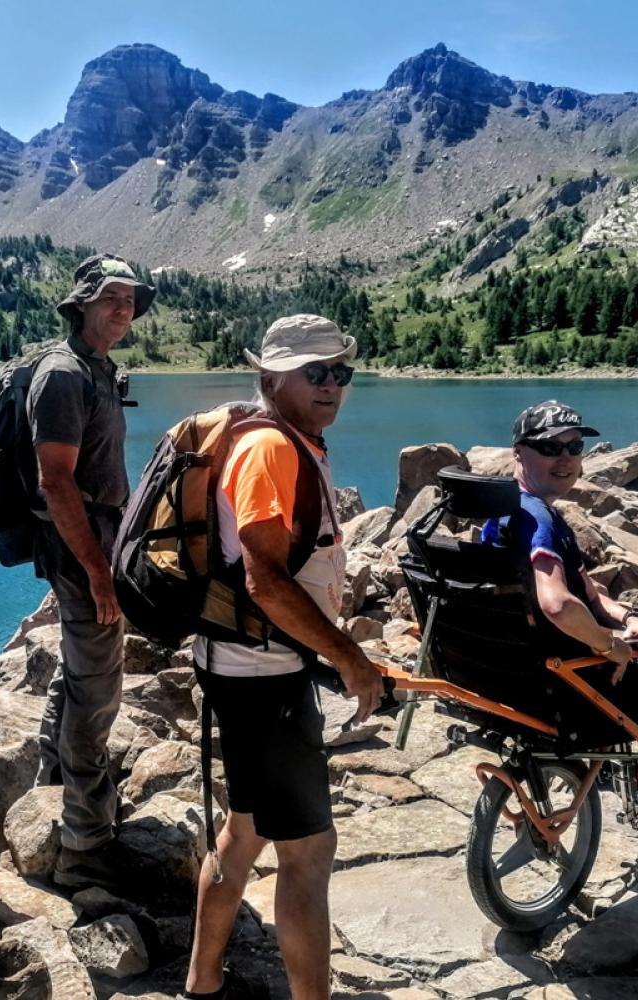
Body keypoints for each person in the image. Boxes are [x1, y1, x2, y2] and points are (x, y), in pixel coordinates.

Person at [182, 315, 385, 1000]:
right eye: (314, 372)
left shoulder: (288, 440)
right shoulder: (270, 448)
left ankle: (201, 983)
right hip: (263, 676)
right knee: (307, 855)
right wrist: (351, 659)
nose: (332, 385)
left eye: (341, 372)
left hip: (244, 665)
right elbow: (265, 580)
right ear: (270, 377)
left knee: (242, 833)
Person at [485, 401, 638, 802]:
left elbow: (588, 594)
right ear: (518, 453)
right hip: (574, 677)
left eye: (574, 448)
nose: (566, 459)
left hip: (518, 667)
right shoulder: (540, 523)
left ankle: (615, 760)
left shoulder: (501, 513)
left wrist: (634, 618)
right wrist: (610, 645)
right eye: (551, 448)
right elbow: (557, 604)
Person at [29, 254, 155, 889]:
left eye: (131, 299)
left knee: (80, 670)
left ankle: (50, 785)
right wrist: (99, 574)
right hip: (81, 547)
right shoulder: (62, 376)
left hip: (95, 539)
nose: (123, 308)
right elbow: (55, 482)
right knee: (100, 686)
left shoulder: (98, 369)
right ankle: (84, 843)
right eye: (110, 297)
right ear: (80, 302)